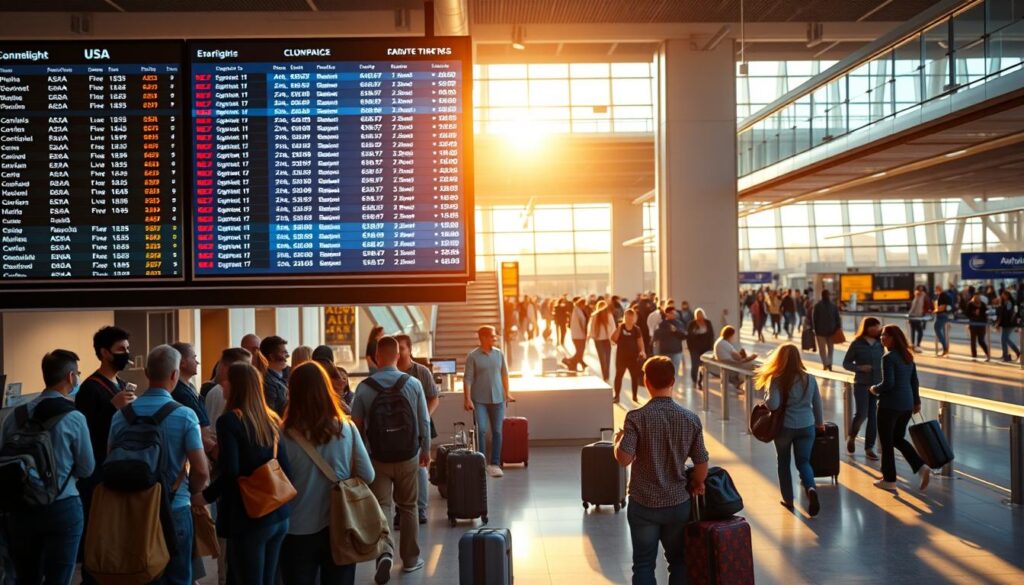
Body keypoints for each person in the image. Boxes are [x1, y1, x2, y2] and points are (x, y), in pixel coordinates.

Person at [109, 345, 209, 585]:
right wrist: (192, 491)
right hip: (175, 506)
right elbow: (201, 469)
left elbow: (109, 461)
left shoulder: (121, 415)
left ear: (146, 372)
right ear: (175, 374)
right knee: (177, 576)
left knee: (139, 574)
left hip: (132, 507)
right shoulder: (185, 415)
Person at [193, 361, 291, 585]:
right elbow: (285, 467)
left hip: (249, 515)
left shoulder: (229, 421)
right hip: (278, 512)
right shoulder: (272, 419)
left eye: (225, 380)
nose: (221, 385)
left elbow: (231, 471)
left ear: (236, 386)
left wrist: (205, 496)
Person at [613, 356, 709, 585]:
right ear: (673, 381)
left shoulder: (636, 417)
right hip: (678, 504)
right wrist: (697, 482)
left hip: (643, 503)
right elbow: (702, 463)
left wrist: (619, 440)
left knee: (644, 564)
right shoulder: (690, 419)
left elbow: (623, 459)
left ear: (646, 382)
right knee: (678, 561)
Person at [2, 350, 94, 584]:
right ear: (71, 376)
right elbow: (86, 468)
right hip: (62, 506)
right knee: (59, 578)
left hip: (20, 507)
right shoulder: (74, 417)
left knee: (26, 577)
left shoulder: (15, 415)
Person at [280, 362, 374, 585]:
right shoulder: (346, 428)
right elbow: (368, 475)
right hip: (341, 524)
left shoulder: (282, 434)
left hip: (296, 528)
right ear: (326, 389)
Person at [352, 336, 430, 582]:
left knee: (382, 507)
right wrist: (425, 450)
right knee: (408, 507)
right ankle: (410, 560)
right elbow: (423, 422)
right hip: (408, 456)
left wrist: (359, 459)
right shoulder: (413, 383)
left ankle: (384, 552)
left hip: (378, 458)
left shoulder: (364, 388)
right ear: (398, 355)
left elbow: (357, 427)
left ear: (376, 356)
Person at [75, 325, 136, 584]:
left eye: (127, 349)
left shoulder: (121, 383)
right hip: (98, 472)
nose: (126, 354)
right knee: (97, 533)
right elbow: (87, 433)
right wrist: (114, 408)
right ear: (104, 353)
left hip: (119, 466)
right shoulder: (90, 388)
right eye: (120, 349)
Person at [201, 346, 253, 585]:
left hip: (234, 493)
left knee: (235, 560)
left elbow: (228, 464)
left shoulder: (231, 417)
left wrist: (205, 496)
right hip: (260, 500)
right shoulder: (266, 416)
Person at [754, 344, 824, 516]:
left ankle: (788, 499)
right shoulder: (809, 377)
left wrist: (767, 395)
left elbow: (773, 404)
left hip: (785, 427)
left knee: (783, 462)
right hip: (807, 425)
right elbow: (817, 403)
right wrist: (819, 423)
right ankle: (811, 488)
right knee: (804, 462)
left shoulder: (777, 378)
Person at [870, 325, 929, 492]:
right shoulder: (908, 356)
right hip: (906, 405)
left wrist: (874, 389)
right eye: (881, 335)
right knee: (897, 439)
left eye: (886, 336)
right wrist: (916, 402)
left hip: (889, 405)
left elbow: (889, 384)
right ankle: (921, 467)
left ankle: (889, 479)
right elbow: (914, 381)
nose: (882, 338)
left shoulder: (888, 358)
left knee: (887, 443)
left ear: (894, 338)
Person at [396, 334, 440, 526]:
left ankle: (420, 508)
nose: (398, 353)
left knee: (421, 466)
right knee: (398, 468)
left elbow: (433, 397)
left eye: (402, 349)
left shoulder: (421, 372)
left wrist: (423, 416)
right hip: (396, 429)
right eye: (396, 350)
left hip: (419, 427)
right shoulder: (388, 372)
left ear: (410, 349)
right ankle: (401, 509)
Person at [463, 326, 512, 477]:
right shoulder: (473, 356)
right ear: (483, 337)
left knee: (497, 431)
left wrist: (507, 393)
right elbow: (468, 378)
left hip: (498, 399)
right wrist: (467, 398)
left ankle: (495, 463)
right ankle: (482, 462)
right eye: (492, 336)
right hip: (479, 400)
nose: (494, 338)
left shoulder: (499, 354)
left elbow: (504, 375)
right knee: (482, 430)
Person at [842, 317, 883, 461]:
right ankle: (852, 436)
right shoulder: (857, 344)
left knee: (874, 416)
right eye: (873, 327)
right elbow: (846, 363)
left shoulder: (881, 343)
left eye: (878, 327)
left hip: (877, 385)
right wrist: (859, 368)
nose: (876, 330)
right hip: (861, 384)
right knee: (862, 413)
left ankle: (869, 447)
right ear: (867, 327)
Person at [611, 309, 646, 403]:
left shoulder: (636, 329)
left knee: (634, 377)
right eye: (627, 317)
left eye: (631, 317)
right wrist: (619, 328)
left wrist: (642, 351)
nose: (629, 319)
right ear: (624, 317)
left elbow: (640, 341)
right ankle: (617, 396)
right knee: (618, 376)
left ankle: (634, 396)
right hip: (621, 357)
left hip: (633, 358)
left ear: (634, 318)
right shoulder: (621, 327)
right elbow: (613, 339)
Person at [712, 326, 757, 394]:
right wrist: (750, 357)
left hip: (725, 363)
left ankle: (739, 384)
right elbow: (738, 357)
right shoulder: (726, 344)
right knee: (753, 366)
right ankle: (744, 386)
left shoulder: (719, 341)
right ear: (731, 335)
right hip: (730, 364)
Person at [655, 306, 687, 381]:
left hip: (676, 351)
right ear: (667, 314)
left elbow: (683, 336)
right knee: (664, 372)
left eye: (674, 313)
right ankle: (665, 387)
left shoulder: (679, 324)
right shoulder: (661, 324)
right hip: (664, 351)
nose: (673, 314)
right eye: (671, 313)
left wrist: (675, 331)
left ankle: (672, 388)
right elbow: (657, 336)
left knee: (674, 372)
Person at [260, 335, 290, 415]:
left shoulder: (289, 374)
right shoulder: (266, 382)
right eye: (283, 352)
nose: (288, 355)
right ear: (272, 357)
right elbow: (270, 414)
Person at [812, 290, 842, 371]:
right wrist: (838, 327)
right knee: (830, 349)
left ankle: (825, 363)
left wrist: (815, 329)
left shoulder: (817, 306)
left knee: (822, 349)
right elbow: (837, 318)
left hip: (820, 331)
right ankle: (830, 363)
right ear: (829, 295)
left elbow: (814, 319)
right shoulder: (833, 306)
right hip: (831, 331)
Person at [588, 300, 617, 382]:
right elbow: (613, 327)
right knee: (607, 358)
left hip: (598, 340)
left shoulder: (594, 316)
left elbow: (592, 327)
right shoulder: (609, 315)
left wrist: (592, 336)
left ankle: (605, 375)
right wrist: (613, 338)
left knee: (602, 358)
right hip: (607, 339)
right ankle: (607, 375)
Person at [686, 309, 715, 388]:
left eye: (701, 315)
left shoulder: (708, 323)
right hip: (694, 348)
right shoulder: (692, 324)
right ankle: (694, 379)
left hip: (705, 348)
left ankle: (700, 381)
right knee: (695, 364)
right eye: (698, 315)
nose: (699, 317)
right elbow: (688, 337)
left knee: (704, 365)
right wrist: (695, 333)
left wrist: (711, 347)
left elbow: (711, 335)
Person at [562, 298, 590, 372]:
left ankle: (573, 364)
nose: (585, 306)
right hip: (579, 335)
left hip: (578, 335)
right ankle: (568, 361)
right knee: (580, 352)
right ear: (581, 304)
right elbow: (581, 322)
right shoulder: (577, 311)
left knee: (580, 352)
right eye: (584, 305)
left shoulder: (577, 310)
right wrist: (585, 333)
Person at [996, 289, 1022, 362]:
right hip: (1007, 324)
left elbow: (1006, 314)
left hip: (1009, 324)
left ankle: (1013, 354)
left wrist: (999, 323)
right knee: (1004, 339)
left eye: (1003, 295)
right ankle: (1006, 355)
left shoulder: (1009, 303)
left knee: (1005, 339)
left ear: (1007, 295)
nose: (1002, 296)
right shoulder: (1006, 302)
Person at [965, 292, 991, 361]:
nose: (977, 299)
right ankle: (974, 356)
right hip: (973, 324)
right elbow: (967, 313)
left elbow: (986, 314)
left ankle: (988, 354)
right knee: (973, 341)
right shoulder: (970, 304)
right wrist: (974, 313)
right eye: (976, 297)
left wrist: (981, 314)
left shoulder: (983, 305)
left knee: (981, 340)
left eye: (978, 297)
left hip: (981, 325)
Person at [933, 285, 955, 356]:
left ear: (938, 289)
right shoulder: (946, 295)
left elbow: (942, 307)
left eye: (936, 290)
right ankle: (945, 348)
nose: (936, 291)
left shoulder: (942, 296)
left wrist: (935, 311)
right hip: (945, 315)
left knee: (937, 329)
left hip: (941, 315)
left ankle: (944, 347)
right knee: (943, 332)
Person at [907, 287, 928, 352]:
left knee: (915, 331)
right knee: (918, 331)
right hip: (916, 317)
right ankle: (916, 345)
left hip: (915, 317)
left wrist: (909, 316)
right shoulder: (920, 297)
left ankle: (914, 345)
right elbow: (913, 308)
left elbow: (912, 309)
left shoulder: (919, 297)